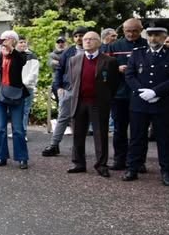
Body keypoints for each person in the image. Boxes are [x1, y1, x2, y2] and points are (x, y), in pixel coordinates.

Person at [123, 26, 169, 185]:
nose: (153, 38)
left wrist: (156, 92)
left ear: (164, 37)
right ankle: (132, 168)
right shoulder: (138, 53)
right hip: (140, 102)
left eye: (157, 35)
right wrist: (141, 91)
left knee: (165, 139)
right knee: (136, 137)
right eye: (150, 35)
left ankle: (167, 171)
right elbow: (130, 75)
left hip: (163, 102)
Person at [65, 31, 119, 177]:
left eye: (91, 39)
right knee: (78, 134)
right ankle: (78, 163)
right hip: (79, 101)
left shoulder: (109, 61)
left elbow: (114, 83)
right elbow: (72, 80)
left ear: (99, 42)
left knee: (100, 135)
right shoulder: (74, 60)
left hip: (98, 102)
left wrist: (106, 97)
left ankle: (101, 165)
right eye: (85, 39)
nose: (87, 41)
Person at [0, 31, 30, 169]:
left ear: (14, 41)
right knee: (1, 128)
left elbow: (21, 62)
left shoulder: (20, 55)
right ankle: (2, 157)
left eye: (9, 39)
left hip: (16, 95)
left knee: (17, 129)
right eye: (3, 39)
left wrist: (11, 49)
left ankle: (22, 158)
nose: (5, 41)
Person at [106, 18, 145, 170]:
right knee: (119, 129)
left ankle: (138, 162)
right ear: (123, 30)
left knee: (139, 130)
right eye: (128, 31)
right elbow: (104, 67)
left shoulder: (146, 45)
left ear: (141, 30)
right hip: (119, 94)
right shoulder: (114, 46)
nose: (131, 34)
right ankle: (119, 160)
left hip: (140, 94)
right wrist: (116, 68)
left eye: (135, 31)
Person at [43, 27, 87, 156]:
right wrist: (58, 87)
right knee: (63, 117)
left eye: (81, 35)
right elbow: (59, 70)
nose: (79, 38)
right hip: (69, 89)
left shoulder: (93, 51)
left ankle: (78, 148)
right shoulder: (68, 51)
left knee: (82, 120)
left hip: (86, 90)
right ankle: (54, 145)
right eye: (76, 36)